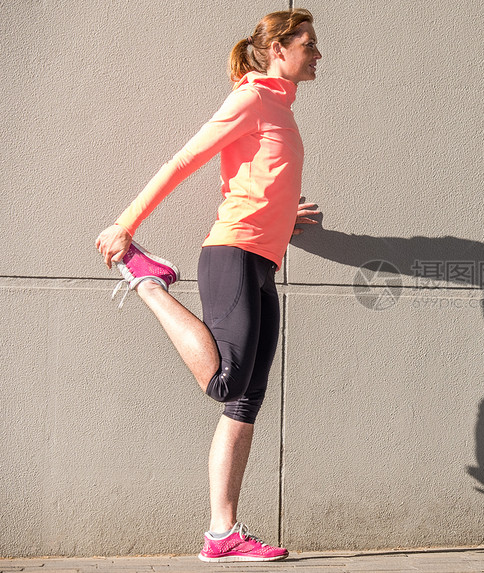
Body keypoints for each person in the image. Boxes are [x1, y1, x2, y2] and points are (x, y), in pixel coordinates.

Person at [95, 9, 322, 563]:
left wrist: (285, 215)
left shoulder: (280, 109)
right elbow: (185, 159)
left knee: (247, 401)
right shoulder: (250, 99)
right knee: (226, 383)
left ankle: (222, 534)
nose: (317, 55)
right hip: (233, 254)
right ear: (278, 50)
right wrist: (126, 224)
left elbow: (253, 179)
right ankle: (148, 283)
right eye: (308, 45)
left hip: (261, 261)